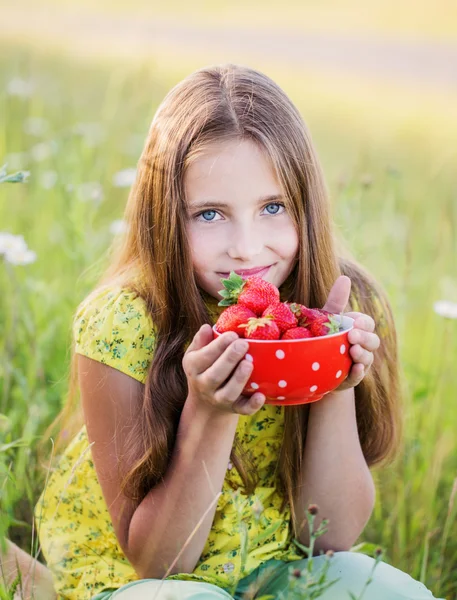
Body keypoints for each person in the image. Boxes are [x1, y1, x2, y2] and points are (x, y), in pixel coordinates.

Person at [32, 63, 442, 600]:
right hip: (144, 580)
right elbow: (158, 560)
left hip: (277, 567)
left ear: (307, 207)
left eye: (273, 207)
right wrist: (210, 412)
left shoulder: (335, 303)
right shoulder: (122, 324)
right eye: (209, 214)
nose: (247, 249)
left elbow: (332, 536)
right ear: (164, 218)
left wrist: (332, 378)